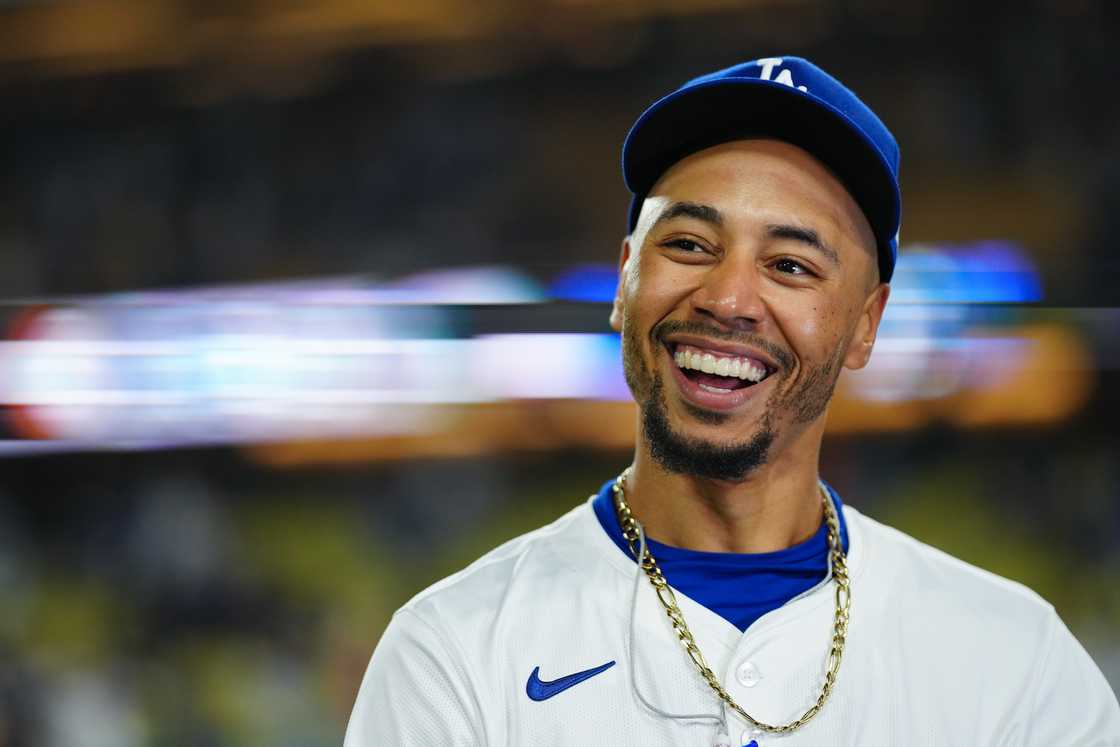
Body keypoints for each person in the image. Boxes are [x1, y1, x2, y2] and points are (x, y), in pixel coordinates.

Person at [344, 56, 1120, 746]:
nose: (728, 298)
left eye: (789, 264)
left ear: (865, 326)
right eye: (687, 245)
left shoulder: (1015, 661)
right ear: (624, 282)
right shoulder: (451, 652)